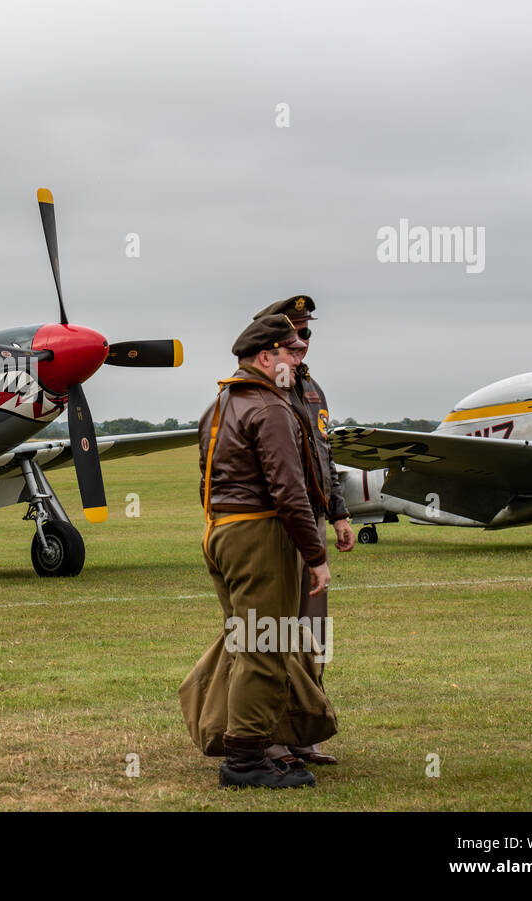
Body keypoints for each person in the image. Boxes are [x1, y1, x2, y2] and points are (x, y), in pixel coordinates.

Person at [198, 314, 331, 789]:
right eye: (287, 352)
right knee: (265, 643)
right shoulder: (270, 409)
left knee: (246, 639)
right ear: (264, 357)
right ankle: (246, 759)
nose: (296, 361)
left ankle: (253, 745)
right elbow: (289, 492)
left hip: (220, 530)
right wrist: (315, 556)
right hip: (259, 533)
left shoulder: (220, 404)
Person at [252, 295, 353, 767]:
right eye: (293, 335)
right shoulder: (256, 391)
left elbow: (323, 456)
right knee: (270, 631)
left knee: (312, 632)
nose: (301, 343)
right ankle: (266, 735)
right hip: (271, 526)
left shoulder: (312, 391)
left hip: (310, 519)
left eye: (306, 333)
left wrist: (339, 513)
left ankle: (304, 731)